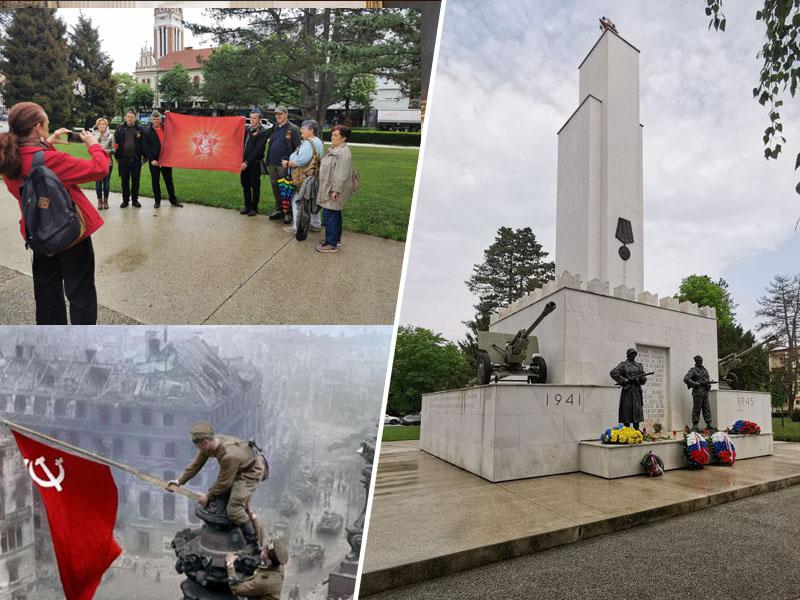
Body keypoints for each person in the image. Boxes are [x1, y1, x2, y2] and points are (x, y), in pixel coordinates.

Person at [0, 102, 107, 325]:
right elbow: (99, 169)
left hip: (38, 235)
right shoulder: (51, 160)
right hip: (70, 236)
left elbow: (31, 162)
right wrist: (94, 145)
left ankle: (52, 345)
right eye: (47, 124)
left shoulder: (9, 159)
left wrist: (47, 143)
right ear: (38, 127)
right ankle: (83, 345)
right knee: (81, 294)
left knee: (47, 296)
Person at [167, 422, 266, 543]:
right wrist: (179, 481)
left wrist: (207, 496)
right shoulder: (211, 442)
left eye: (199, 446)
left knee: (234, 509)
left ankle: (252, 537)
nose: (199, 449)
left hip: (250, 472)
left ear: (205, 442)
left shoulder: (228, 456)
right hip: (238, 466)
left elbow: (224, 483)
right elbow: (196, 465)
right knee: (222, 497)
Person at [225, 508, 286, 600]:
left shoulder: (265, 582)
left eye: (264, 551)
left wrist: (230, 564)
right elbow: (263, 533)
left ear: (268, 561)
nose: (262, 549)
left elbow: (236, 588)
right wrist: (252, 515)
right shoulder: (276, 562)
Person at [316, 125, 355, 253]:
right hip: (330, 187)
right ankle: (335, 239)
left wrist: (336, 191)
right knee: (335, 214)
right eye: (332, 134)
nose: (332, 137)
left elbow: (341, 174)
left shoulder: (343, 153)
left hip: (334, 189)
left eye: (336, 135)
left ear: (343, 138)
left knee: (329, 215)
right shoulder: (334, 149)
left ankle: (331, 244)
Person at [282, 120, 323, 236]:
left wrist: (288, 163)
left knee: (297, 200)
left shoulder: (308, 143)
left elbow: (300, 161)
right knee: (311, 199)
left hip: (303, 177)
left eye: (303, 129)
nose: (301, 131)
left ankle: (297, 226)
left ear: (311, 130)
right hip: (313, 176)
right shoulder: (318, 141)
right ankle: (315, 224)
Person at [266, 106, 301, 224]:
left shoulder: (293, 129)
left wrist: (291, 163)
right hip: (272, 163)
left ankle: (288, 213)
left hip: (284, 165)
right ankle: (279, 209)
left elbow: (298, 149)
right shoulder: (275, 127)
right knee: (275, 187)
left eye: (280, 114)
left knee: (286, 189)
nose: (277, 116)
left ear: (286, 114)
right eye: (276, 114)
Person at [141, 109, 182, 209]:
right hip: (154, 161)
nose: (156, 120)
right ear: (151, 120)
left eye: (157, 118)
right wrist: (152, 160)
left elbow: (177, 129)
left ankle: (173, 200)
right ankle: (157, 201)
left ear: (161, 119)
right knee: (155, 181)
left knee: (169, 181)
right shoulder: (147, 131)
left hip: (166, 160)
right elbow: (145, 147)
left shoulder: (166, 129)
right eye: (154, 119)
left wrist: (169, 114)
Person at [610, 348, 648, 430]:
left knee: (637, 411)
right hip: (627, 391)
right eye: (631, 354)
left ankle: (637, 430)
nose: (633, 355)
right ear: (628, 355)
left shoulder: (639, 365)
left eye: (634, 354)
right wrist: (624, 380)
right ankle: (626, 431)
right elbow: (613, 373)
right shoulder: (623, 365)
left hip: (637, 390)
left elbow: (644, 379)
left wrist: (641, 379)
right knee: (627, 411)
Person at [114, 108, 144, 208]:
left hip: (136, 159)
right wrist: (117, 156)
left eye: (132, 117)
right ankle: (125, 200)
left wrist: (144, 158)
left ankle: (135, 200)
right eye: (128, 117)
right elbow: (115, 143)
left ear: (135, 118)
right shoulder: (119, 128)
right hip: (123, 160)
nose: (130, 119)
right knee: (124, 181)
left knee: (136, 181)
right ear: (125, 118)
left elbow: (143, 145)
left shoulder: (140, 129)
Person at [240, 107, 268, 217]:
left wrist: (246, 162)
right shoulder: (247, 129)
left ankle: (254, 208)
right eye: (251, 118)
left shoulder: (263, 132)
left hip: (254, 163)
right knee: (245, 185)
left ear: (259, 119)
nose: (252, 120)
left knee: (255, 186)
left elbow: (257, 150)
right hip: (243, 163)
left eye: (254, 118)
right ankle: (247, 205)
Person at [684, 355, 715, 432]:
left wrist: (708, 385)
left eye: (701, 361)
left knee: (707, 409)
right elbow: (686, 379)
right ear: (696, 361)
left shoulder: (705, 370)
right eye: (698, 361)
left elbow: (707, 380)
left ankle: (709, 424)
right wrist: (696, 384)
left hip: (705, 393)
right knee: (697, 409)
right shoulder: (693, 370)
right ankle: (695, 425)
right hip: (697, 393)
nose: (700, 362)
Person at [93, 117, 114, 210]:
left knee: (106, 183)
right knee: (98, 183)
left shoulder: (111, 135)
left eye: (104, 124)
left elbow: (114, 149)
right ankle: (99, 201)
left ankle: (106, 201)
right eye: (100, 124)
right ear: (97, 126)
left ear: (106, 126)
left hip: (108, 163)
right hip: (97, 163)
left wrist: (106, 151)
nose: (102, 126)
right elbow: (91, 147)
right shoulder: (93, 136)